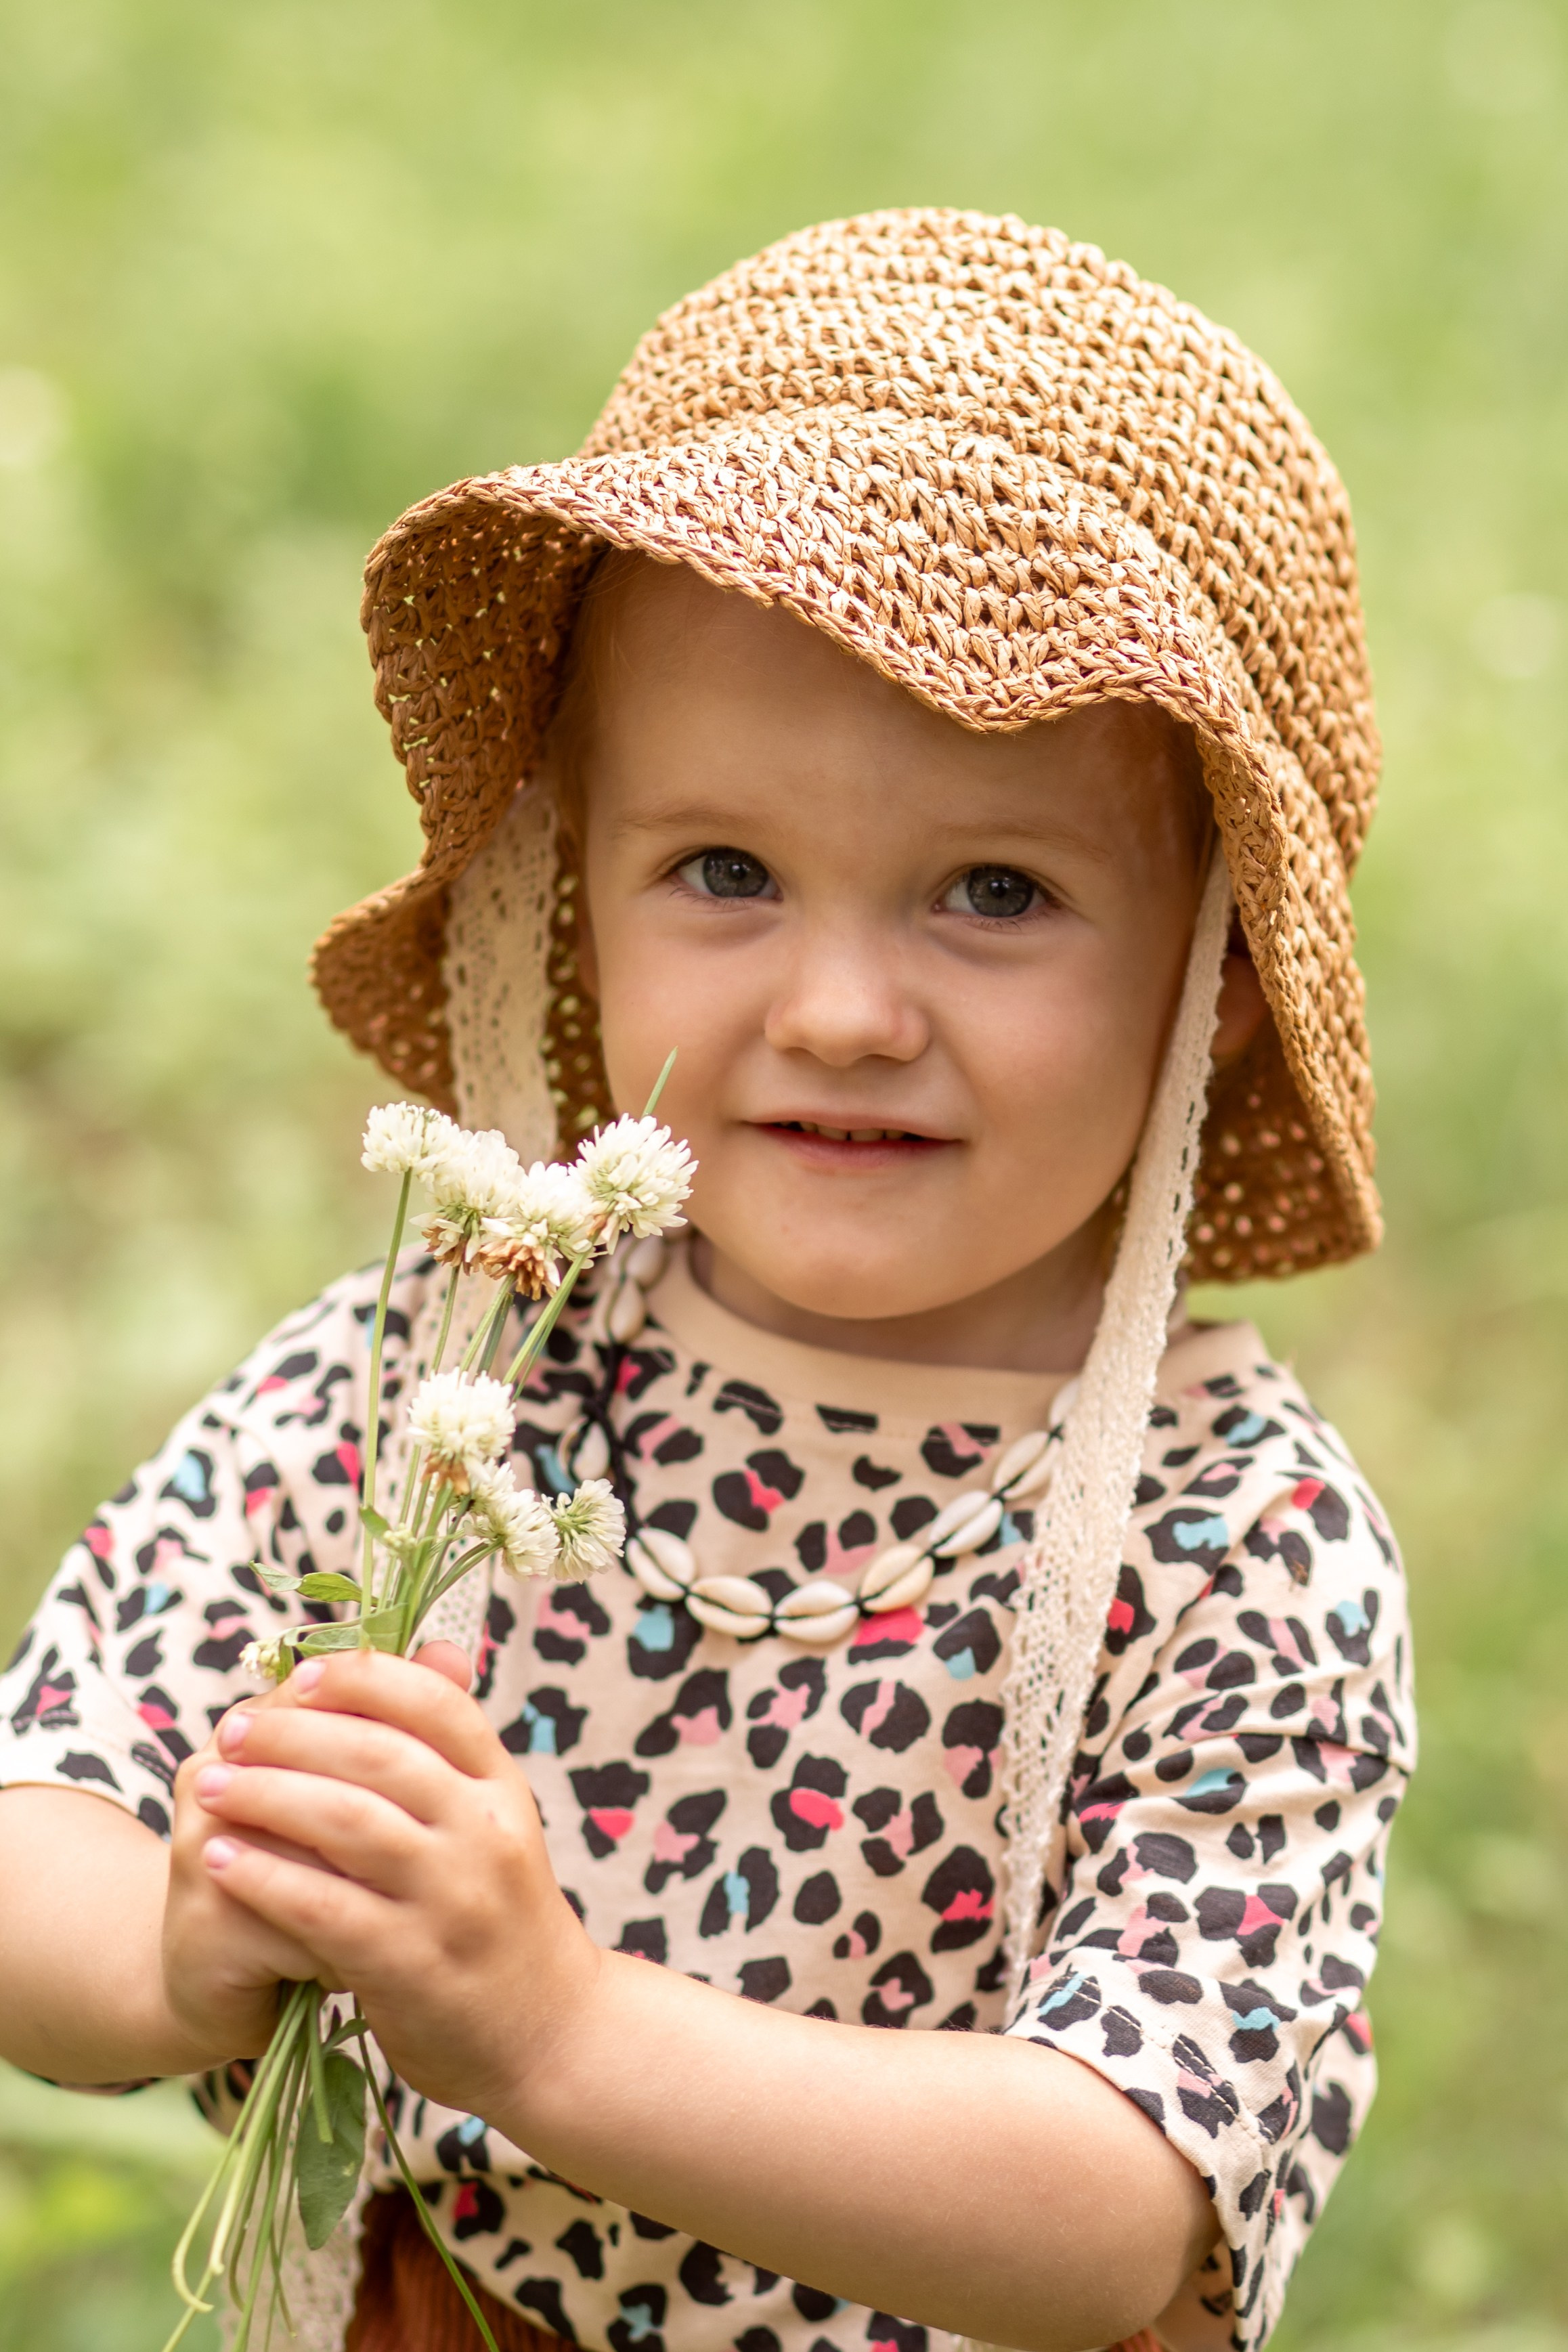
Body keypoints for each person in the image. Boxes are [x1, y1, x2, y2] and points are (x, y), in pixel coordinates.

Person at [0, 211, 1411, 2352]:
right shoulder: (449, 1374)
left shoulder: (1232, 1540)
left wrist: (556, 2035)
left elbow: (1114, 2196)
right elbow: (48, 1821)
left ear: (1213, 980)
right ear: (578, 881)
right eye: (726, 872)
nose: (842, 1007)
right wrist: (183, 1945)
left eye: (994, 891)